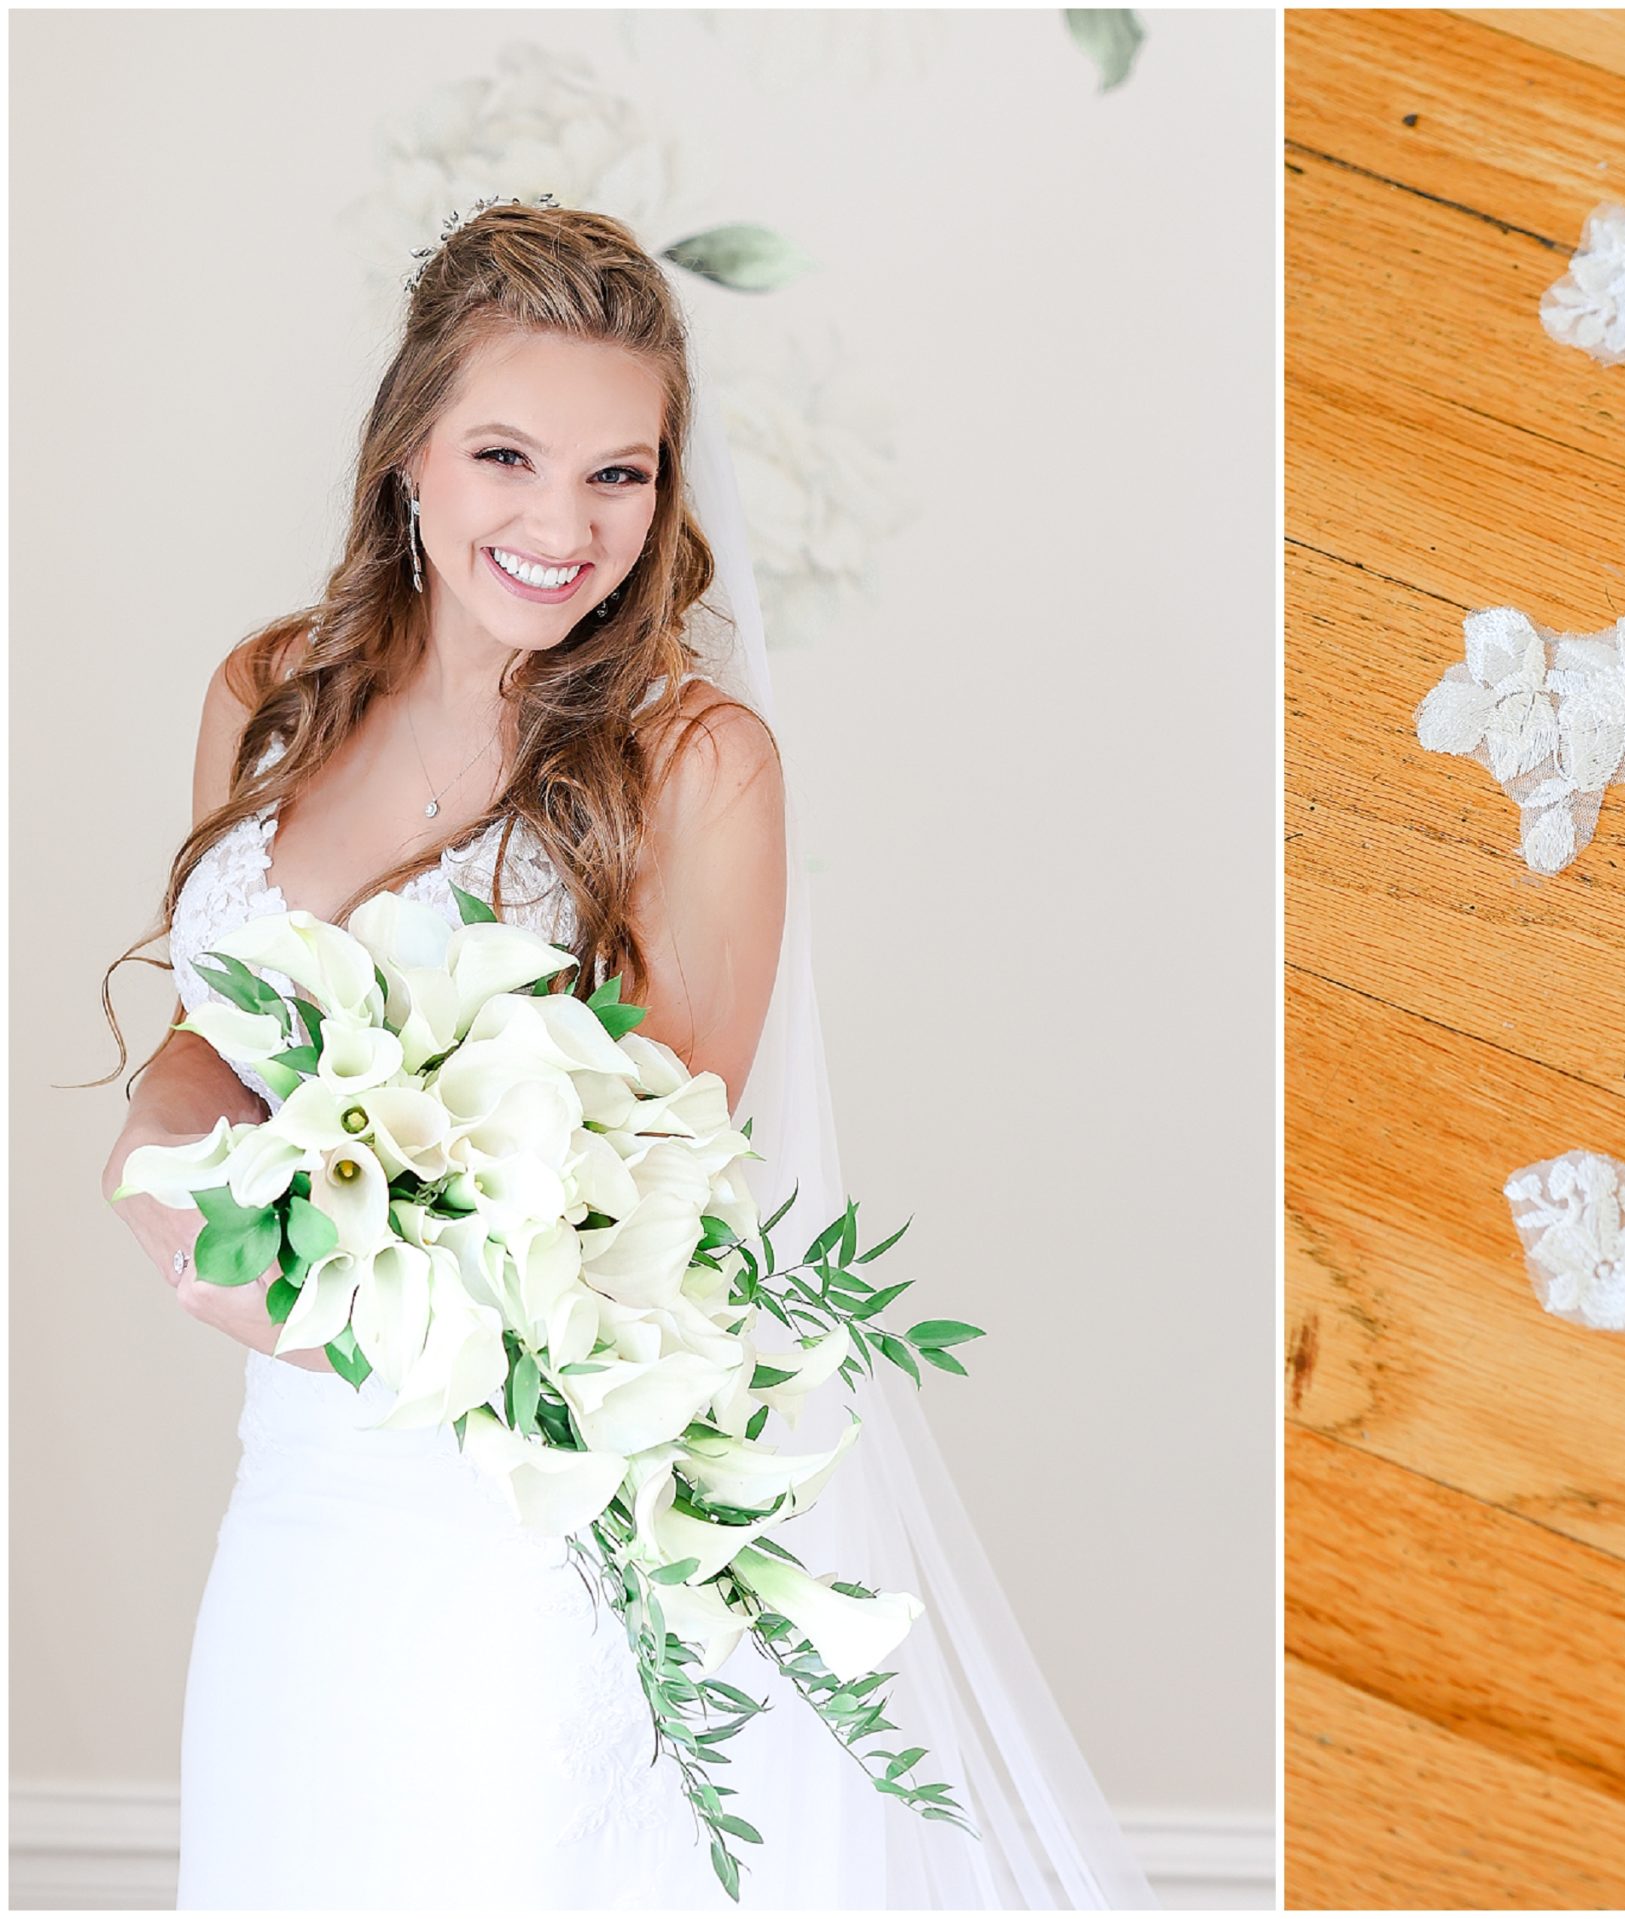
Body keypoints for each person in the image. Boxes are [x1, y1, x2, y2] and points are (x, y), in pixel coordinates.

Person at [93, 201, 1152, 1909]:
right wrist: (156, 1159)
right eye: (509, 453)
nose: (564, 523)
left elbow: (633, 1188)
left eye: (621, 473)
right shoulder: (268, 693)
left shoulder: (695, 764)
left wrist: (311, 1271)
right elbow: (216, 1030)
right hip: (296, 1500)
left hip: (514, 1519)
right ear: (409, 458)